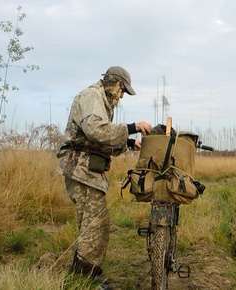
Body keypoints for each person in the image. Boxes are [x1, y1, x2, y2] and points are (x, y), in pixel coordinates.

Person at [56, 66, 152, 286]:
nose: (122, 95)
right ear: (116, 84)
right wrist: (133, 127)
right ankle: (84, 280)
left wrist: (128, 143)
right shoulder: (91, 96)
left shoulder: (103, 103)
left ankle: (84, 274)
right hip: (80, 171)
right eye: (122, 90)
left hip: (89, 173)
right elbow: (95, 130)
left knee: (94, 224)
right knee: (95, 226)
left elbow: (102, 139)